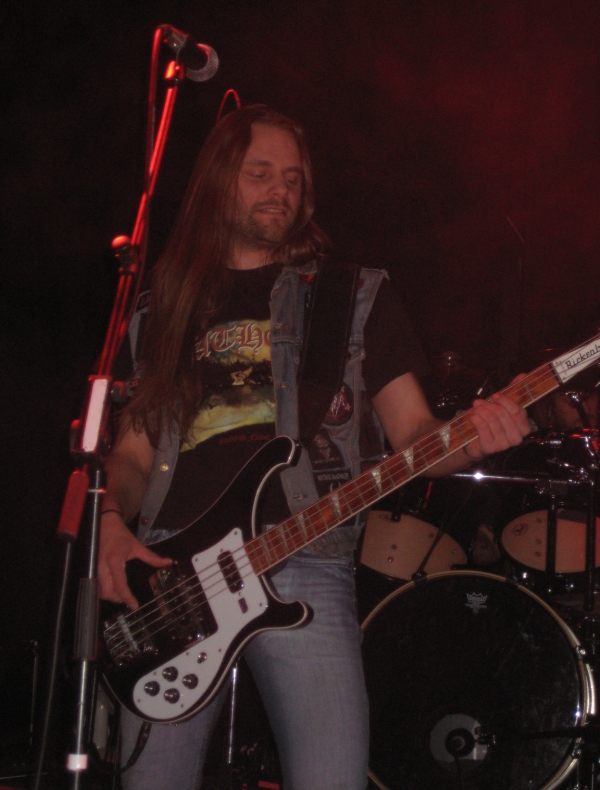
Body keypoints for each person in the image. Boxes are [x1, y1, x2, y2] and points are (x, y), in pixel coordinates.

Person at [98, 104, 530, 790]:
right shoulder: (163, 309)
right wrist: (110, 522)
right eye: (260, 173)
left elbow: (415, 434)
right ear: (218, 181)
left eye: (293, 178)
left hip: (302, 556)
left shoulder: (352, 295)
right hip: (170, 575)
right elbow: (131, 453)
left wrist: (475, 438)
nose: (281, 190)